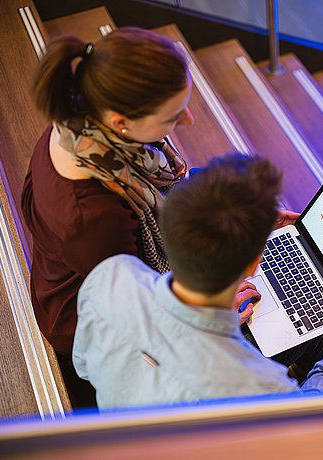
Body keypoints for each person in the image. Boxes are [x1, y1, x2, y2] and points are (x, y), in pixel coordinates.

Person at [72, 154, 323, 408]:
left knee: (320, 333)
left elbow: (83, 367)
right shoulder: (261, 383)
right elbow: (305, 421)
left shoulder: (111, 276)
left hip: (125, 424)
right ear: (255, 262)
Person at [21, 27, 196, 408]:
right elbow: (140, 308)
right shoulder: (94, 218)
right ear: (120, 122)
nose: (190, 121)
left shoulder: (78, 123)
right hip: (91, 317)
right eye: (172, 117)